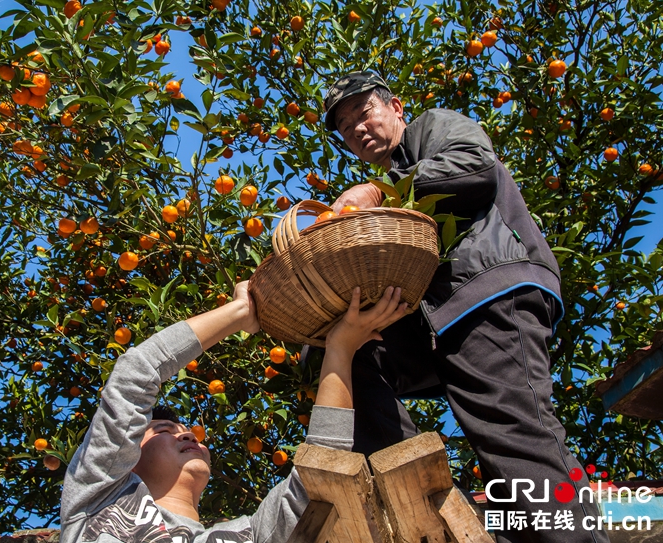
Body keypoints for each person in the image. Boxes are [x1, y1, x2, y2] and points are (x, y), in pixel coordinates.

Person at [317, 71, 609, 543]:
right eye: (346, 128)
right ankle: (413, 497)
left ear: (395, 108)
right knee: (347, 354)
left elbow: (476, 165)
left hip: (488, 291)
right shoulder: (395, 186)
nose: (357, 129)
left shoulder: (431, 127)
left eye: (363, 112)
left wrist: (380, 191)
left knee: (512, 436)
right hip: (439, 313)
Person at [59, 280, 409, 543]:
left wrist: (340, 347)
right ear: (128, 455)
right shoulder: (98, 499)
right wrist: (241, 312)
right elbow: (134, 377)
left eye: (186, 430)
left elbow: (323, 469)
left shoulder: (249, 534)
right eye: (164, 429)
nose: (187, 433)